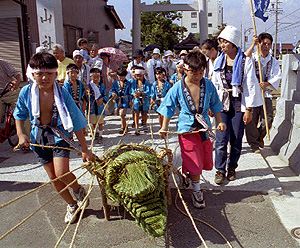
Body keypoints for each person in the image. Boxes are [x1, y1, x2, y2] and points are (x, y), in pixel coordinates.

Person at [13, 52, 94, 224]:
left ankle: (78, 189)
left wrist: (85, 149)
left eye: (49, 73)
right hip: (38, 138)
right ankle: (72, 204)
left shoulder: (62, 93)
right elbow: (19, 115)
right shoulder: (26, 92)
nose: (44, 77)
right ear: (32, 74)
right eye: (40, 73)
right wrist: (21, 134)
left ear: (56, 74)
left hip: (59, 136)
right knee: (53, 177)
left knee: (62, 173)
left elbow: (77, 120)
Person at [158, 51, 226, 209]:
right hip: (186, 128)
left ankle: (189, 176)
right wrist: (164, 127)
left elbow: (215, 104)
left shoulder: (207, 84)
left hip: (204, 126)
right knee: (194, 158)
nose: (197, 76)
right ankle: (196, 190)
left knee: (204, 158)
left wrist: (220, 121)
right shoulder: (177, 87)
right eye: (194, 73)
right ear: (185, 70)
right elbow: (168, 106)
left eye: (201, 72)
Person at [212, 25, 264, 185]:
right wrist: (211, 105)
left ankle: (232, 167)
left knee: (236, 138)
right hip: (222, 103)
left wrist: (248, 110)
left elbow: (250, 86)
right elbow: (214, 85)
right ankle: (219, 170)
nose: (222, 45)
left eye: (225, 42)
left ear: (233, 43)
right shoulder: (218, 61)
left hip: (238, 103)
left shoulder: (245, 61)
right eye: (221, 42)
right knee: (221, 139)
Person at [244, 33, 282, 153]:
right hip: (253, 94)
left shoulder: (273, 61)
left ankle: (260, 136)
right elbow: (245, 58)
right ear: (259, 44)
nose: (266, 46)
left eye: (269, 44)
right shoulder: (253, 58)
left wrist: (268, 83)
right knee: (252, 120)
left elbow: (277, 76)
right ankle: (254, 143)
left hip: (265, 93)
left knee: (268, 119)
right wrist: (252, 44)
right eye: (263, 43)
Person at [86, 67, 108, 142]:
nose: (96, 79)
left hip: (99, 106)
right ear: (91, 77)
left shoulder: (102, 86)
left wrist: (102, 99)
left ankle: (101, 135)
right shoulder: (89, 86)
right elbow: (85, 96)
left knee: (100, 121)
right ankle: (96, 133)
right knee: (93, 121)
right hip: (92, 105)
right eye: (94, 77)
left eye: (97, 77)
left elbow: (105, 95)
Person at [109, 67, 132, 134]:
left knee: (122, 114)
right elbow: (112, 89)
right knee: (119, 113)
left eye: (123, 77)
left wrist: (131, 100)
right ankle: (125, 125)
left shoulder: (128, 83)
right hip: (118, 100)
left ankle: (123, 127)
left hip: (125, 100)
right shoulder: (115, 83)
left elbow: (130, 92)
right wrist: (113, 93)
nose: (121, 78)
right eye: (120, 76)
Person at [130, 66, 151, 135]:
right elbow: (131, 90)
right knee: (136, 113)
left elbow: (148, 90)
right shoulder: (133, 82)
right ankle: (136, 127)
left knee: (144, 113)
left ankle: (144, 125)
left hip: (144, 100)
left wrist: (143, 93)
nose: (138, 77)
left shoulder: (146, 82)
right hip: (136, 100)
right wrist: (134, 94)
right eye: (137, 76)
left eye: (140, 75)